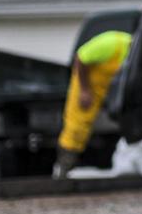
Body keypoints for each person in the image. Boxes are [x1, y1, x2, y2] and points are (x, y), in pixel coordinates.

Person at [52, 30, 132, 178]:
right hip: (87, 86)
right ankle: (63, 168)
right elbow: (81, 58)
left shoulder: (136, 54)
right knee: (77, 127)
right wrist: (85, 90)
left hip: (107, 88)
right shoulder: (111, 44)